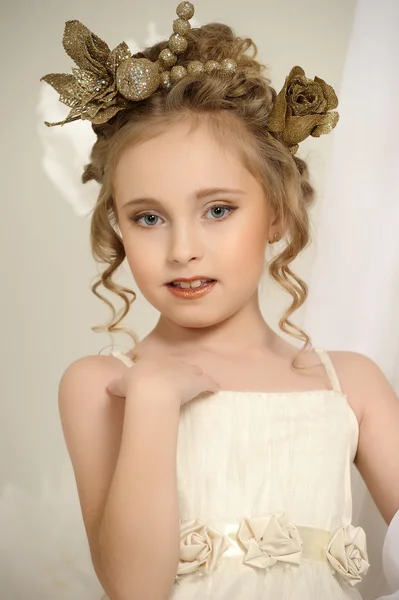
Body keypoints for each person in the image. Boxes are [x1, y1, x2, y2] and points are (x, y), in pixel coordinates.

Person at [41, 2, 399, 599]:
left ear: (277, 214)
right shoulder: (100, 386)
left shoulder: (350, 385)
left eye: (218, 210)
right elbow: (136, 590)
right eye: (149, 217)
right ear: (118, 228)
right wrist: (153, 401)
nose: (184, 249)